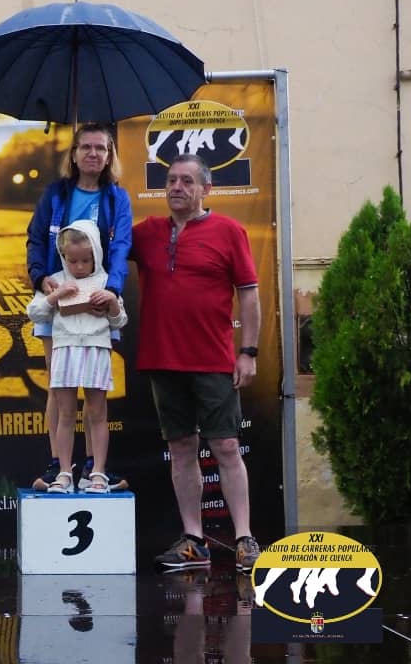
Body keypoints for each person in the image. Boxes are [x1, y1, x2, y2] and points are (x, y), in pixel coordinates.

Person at [130, 153, 262, 573]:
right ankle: (194, 542)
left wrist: (249, 351)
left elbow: (249, 294)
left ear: (206, 188)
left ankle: (244, 539)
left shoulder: (229, 231)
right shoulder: (146, 233)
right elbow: (96, 246)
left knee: (226, 446)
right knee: (181, 448)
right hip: (163, 359)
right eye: (171, 180)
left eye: (187, 181)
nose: (177, 187)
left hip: (213, 359)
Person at [25, 123, 132, 490]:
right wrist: (41, 279)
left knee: (94, 391)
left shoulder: (117, 198)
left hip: (98, 299)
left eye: (101, 148)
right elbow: (35, 239)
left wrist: (113, 291)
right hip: (58, 297)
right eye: (86, 147)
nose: (93, 154)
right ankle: (59, 465)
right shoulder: (56, 194)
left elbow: (122, 246)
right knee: (60, 388)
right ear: (73, 153)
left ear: (109, 155)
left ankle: (92, 467)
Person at [26, 221, 127, 493]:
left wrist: (112, 303)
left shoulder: (106, 282)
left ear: (96, 255)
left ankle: (98, 473)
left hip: (96, 350)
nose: (79, 267)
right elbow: (34, 313)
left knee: (97, 412)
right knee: (66, 413)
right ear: (63, 256)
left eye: (85, 260)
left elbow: (120, 321)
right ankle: (64, 473)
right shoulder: (55, 280)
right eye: (73, 261)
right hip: (65, 351)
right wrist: (55, 296)